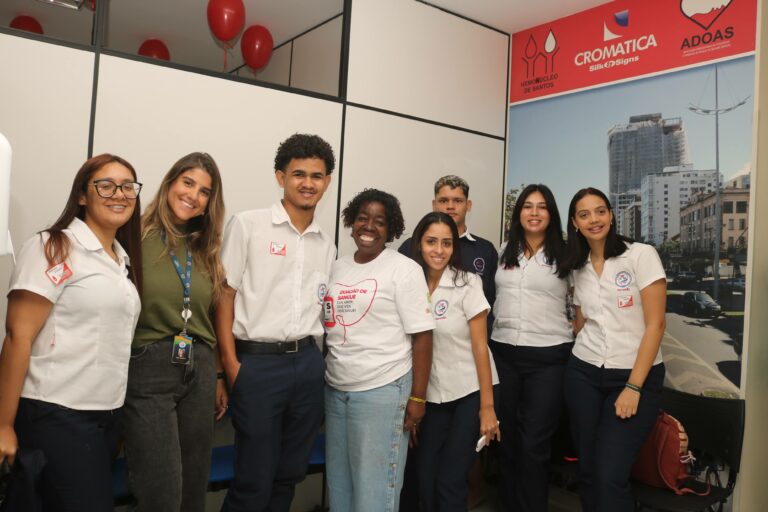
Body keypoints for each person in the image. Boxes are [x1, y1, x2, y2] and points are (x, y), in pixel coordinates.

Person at [0, 154, 143, 511]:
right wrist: (2, 425)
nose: (119, 194)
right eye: (105, 185)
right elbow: (18, 336)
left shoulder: (120, 260)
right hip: (57, 412)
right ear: (82, 195)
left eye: (128, 186)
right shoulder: (55, 247)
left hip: (106, 415)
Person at [216, 134, 336, 512]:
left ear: (327, 182)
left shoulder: (325, 244)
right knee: (253, 480)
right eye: (298, 174)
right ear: (280, 177)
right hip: (257, 364)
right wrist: (230, 366)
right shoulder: (248, 225)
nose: (307, 183)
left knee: (289, 475)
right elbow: (224, 296)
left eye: (317, 176)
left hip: (308, 363)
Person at [122, 152, 227, 512]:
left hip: (198, 366)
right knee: (160, 491)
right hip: (149, 365)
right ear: (169, 184)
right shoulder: (133, 234)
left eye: (204, 191)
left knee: (194, 488)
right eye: (188, 183)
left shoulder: (206, 250)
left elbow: (210, 320)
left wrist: (216, 376)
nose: (194, 195)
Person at [324, 189, 435, 512]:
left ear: (391, 229)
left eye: (379, 221)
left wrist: (417, 398)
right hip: (336, 389)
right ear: (351, 221)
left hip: (382, 390)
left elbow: (423, 337)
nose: (369, 226)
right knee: (340, 488)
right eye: (362, 218)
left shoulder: (403, 269)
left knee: (375, 495)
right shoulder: (338, 267)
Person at [560, 187, 666, 512]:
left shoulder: (640, 255)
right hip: (583, 373)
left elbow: (656, 325)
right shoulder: (578, 266)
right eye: (584, 214)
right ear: (575, 223)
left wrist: (633, 386)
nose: (594, 219)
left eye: (600, 211)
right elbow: (581, 320)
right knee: (588, 471)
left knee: (610, 474)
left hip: (634, 376)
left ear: (611, 215)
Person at [490, 184, 573, 512]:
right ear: (518, 213)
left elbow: (582, 304)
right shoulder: (503, 249)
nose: (534, 212)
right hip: (504, 353)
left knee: (533, 445)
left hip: (549, 358)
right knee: (506, 442)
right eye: (527, 206)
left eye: (541, 207)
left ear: (551, 214)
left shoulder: (567, 254)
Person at [409, 211, 500, 511]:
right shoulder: (408, 284)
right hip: (430, 395)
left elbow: (479, 346)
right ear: (418, 243)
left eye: (446, 243)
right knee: (425, 478)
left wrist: (487, 409)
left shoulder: (468, 284)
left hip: (468, 392)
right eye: (431, 241)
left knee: (450, 481)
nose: (439, 250)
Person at [399, 175, 497, 308]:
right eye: (444, 201)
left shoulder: (485, 249)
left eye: (457, 200)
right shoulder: (411, 246)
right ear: (434, 205)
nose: (450, 206)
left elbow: (491, 300)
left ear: (468, 205)